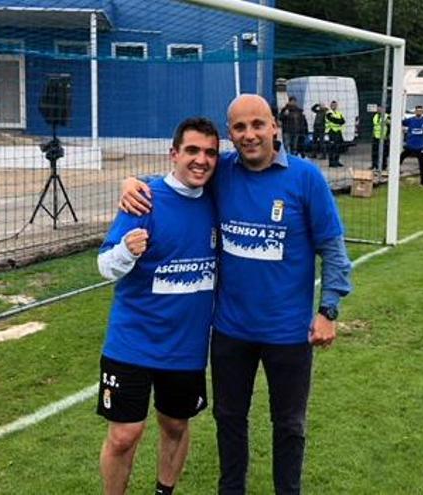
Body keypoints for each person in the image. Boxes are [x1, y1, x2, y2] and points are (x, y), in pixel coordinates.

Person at [120, 94, 352, 495]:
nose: (250, 135)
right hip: (230, 331)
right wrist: (130, 183)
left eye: (258, 125)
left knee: (290, 425)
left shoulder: (305, 178)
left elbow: (332, 247)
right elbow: (178, 178)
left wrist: (328, 310)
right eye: (240, 128)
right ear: (231, 133)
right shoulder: (222, 171)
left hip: (288, 333)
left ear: (274, 126)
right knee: (229, 419)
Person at [96, 117, 220, 495]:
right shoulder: (144, 198)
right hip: (132, 341)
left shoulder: (219, 198)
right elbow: (104, 266)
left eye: (210, 152)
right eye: (192, 151)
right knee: (124, 435)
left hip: (187, 346)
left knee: (176, 425)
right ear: (174, 154)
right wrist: (125, 251)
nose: (201, 160)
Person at [400, 105, 423, 186]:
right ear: (415, 111)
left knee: (422, 164)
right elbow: (401, 123)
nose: (419, 112)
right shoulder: (410, 120)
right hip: (410, 145)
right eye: (417, 111)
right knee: (401, 157)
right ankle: (396, 172)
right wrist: (402, 130)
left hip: (420, 146)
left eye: (420, 111)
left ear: (422, 112)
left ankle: (422, 181)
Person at [325, 100, 346, 168]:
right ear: (331, 106)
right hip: (332, 132)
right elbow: (333, 120)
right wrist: (338, 121)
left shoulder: (338, 113)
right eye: (333, 105)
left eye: (335, 105)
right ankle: (331, 162)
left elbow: (343, 121)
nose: (334, 106)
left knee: (338, 147)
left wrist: (338, 121)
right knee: (332, 148)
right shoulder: (329, 113)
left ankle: (337, 161)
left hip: (338, 132)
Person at [371, 106, 391, 171]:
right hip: (376, 137)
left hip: (383, 137)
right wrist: (373, 134)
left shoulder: (387, 116)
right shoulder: (375, 116)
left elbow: (390, 126)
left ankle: (383, 166)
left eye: (380, 108)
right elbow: (375, 126)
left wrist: (387, 135)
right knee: (374, 152)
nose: (379, 110)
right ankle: (374, 165)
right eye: (378, 109)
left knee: (384, 153)